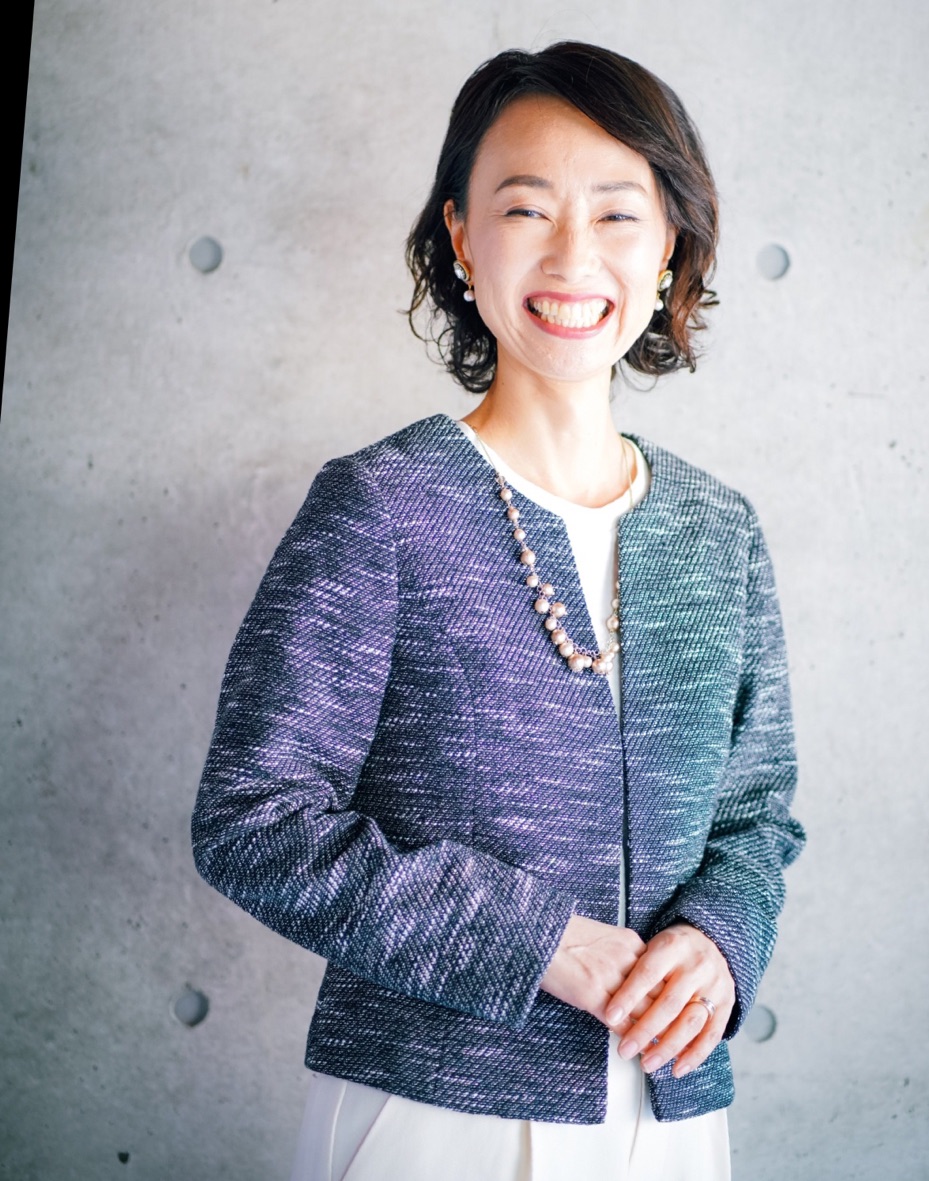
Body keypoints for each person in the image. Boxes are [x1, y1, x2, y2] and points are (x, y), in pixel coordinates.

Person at [192, 40, 805, 1181]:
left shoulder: (719, 530)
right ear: (463, 239)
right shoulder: (383, 504)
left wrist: (720, 942)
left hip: (670, 1117)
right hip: (430, 1116)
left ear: (669, 247)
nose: (574, 255)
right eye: (526, 209)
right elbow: (252, 819)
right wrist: (535, 941)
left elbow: (756, 815)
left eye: (618, 214)